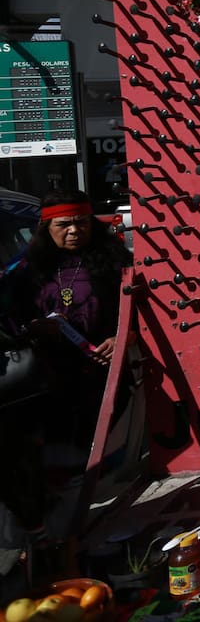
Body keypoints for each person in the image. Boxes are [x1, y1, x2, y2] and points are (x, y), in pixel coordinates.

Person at [2, 189, 133, 451]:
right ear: (46, 227)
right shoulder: (25, 269)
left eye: (81, 223)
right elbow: (9, 317)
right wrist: (32, 327)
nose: (74, 231)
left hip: (105, 368)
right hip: (49, 375)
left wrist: (123, 337)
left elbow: (143, 309)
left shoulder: (118, 263)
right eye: (63, 225)